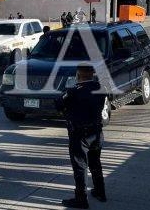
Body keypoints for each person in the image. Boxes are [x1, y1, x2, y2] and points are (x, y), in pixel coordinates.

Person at [59, 64, 107, 209]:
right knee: (95, 163)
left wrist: (68, 90)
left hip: (80, 135)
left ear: (78, 76)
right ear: (92, 75)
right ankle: (100, 192)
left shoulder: (73, 92)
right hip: (97, 133)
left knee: (80, 167)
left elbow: (59, 105)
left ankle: (81, 199)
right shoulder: (101, 88)